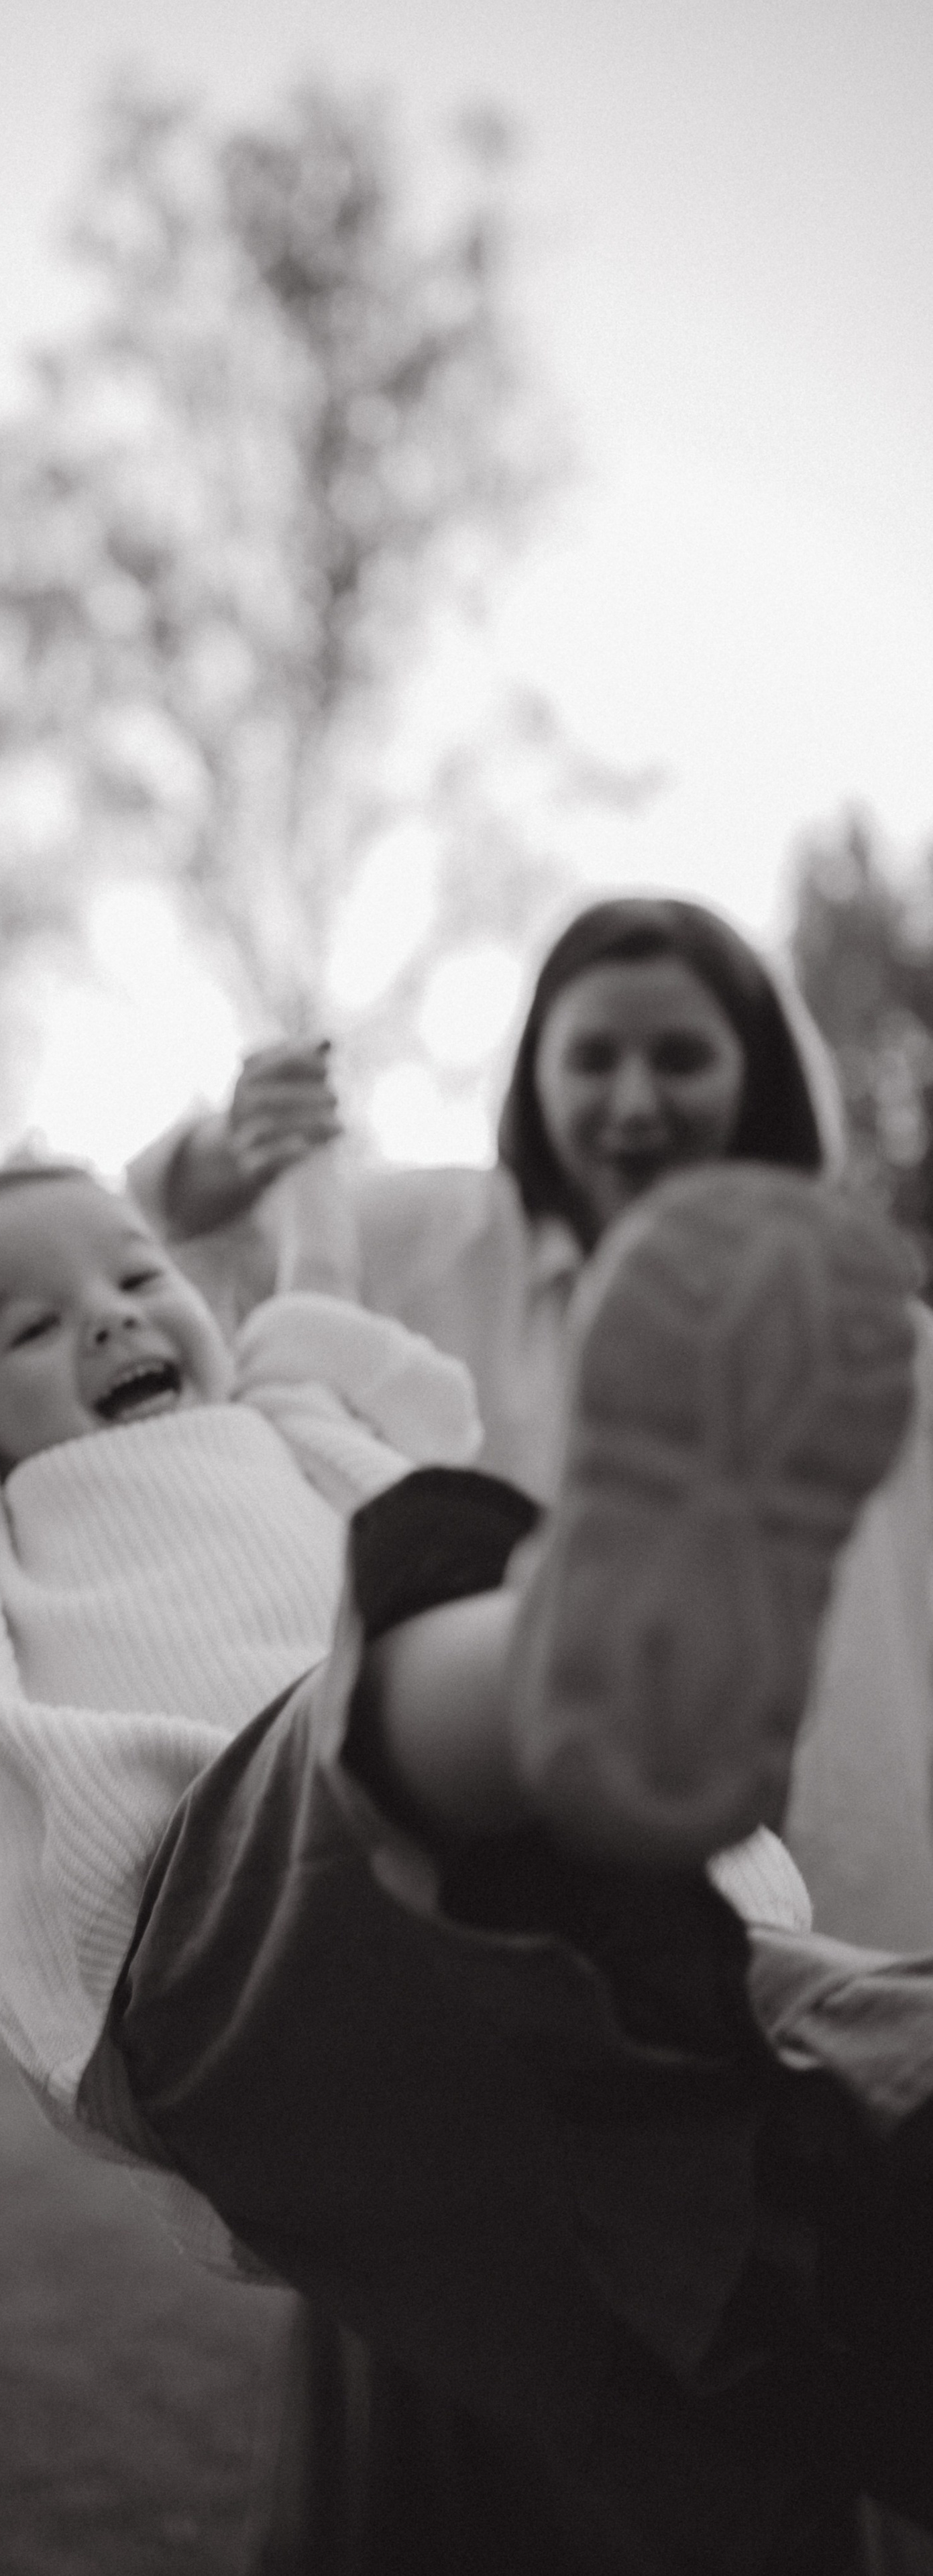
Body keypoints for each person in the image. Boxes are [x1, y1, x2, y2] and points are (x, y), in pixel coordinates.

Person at [0, 1139, 933, 2567]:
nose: (108, 1317)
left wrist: (297, 1163)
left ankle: (576, 1681)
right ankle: (574, 1652)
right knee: (377, 1679)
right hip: (211, 1909)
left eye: (136, 1274)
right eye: (32, 1325)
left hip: (534, 1924)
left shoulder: (287, 1413)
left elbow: (321, 1271)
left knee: (805, 2051)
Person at [127, 891, 933, 2567]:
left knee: (768, 2420)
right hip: (474, 1969)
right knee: (460, 2426)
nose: (631, 1099)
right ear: (534, 1074)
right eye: (593, 1057)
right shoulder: (433, 1245)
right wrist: (224, 1145)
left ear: (756, 1072)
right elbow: (162, 1254)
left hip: (823, 1940)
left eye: (677, 1056)